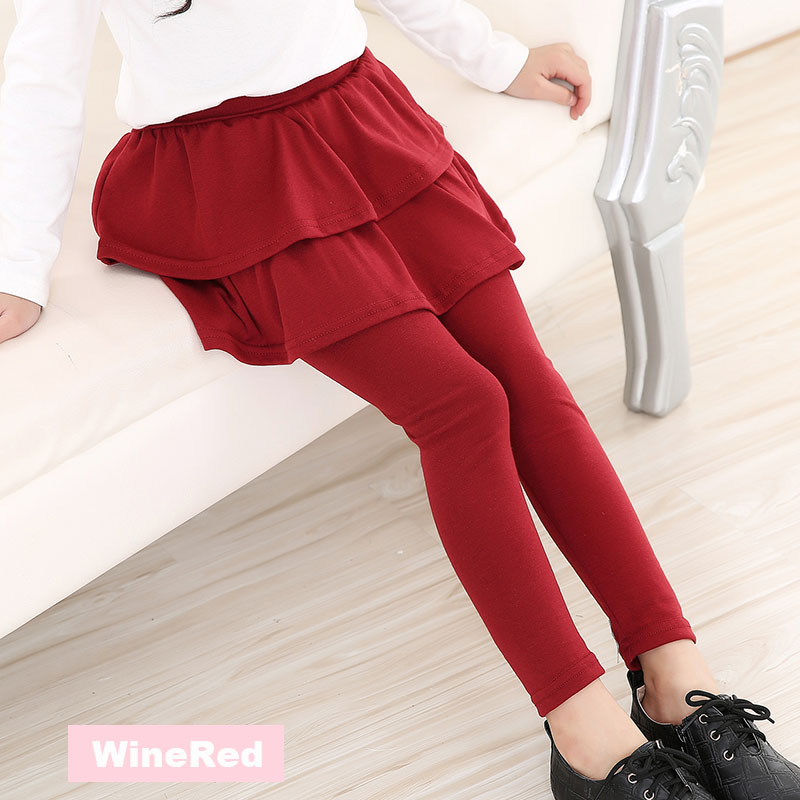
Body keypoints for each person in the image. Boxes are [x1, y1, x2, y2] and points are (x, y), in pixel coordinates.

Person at [1, 2, 797, 797]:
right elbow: (42, 72)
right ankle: (584, 731)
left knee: (531, 384)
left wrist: (497, 59)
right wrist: (17, 265)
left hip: (362, 121)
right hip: (228, 176)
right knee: (462, 405)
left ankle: (677, 680)